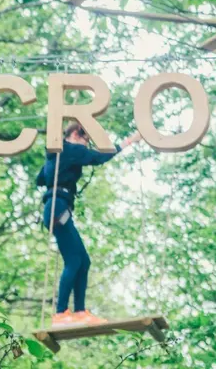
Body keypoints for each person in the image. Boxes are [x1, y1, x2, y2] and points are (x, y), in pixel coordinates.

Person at [37, 121, 141, 326]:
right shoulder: (70, 149)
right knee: (74, 260)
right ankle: (60, 313)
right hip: (58, 207)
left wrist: (58, 167)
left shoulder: (58, 154)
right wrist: (129, 141)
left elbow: (40, 179)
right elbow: (98, 157)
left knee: (83, 260)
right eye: (87, 140)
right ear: (76, 134)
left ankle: (80, 311)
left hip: (56, 207)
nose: (87, 145)